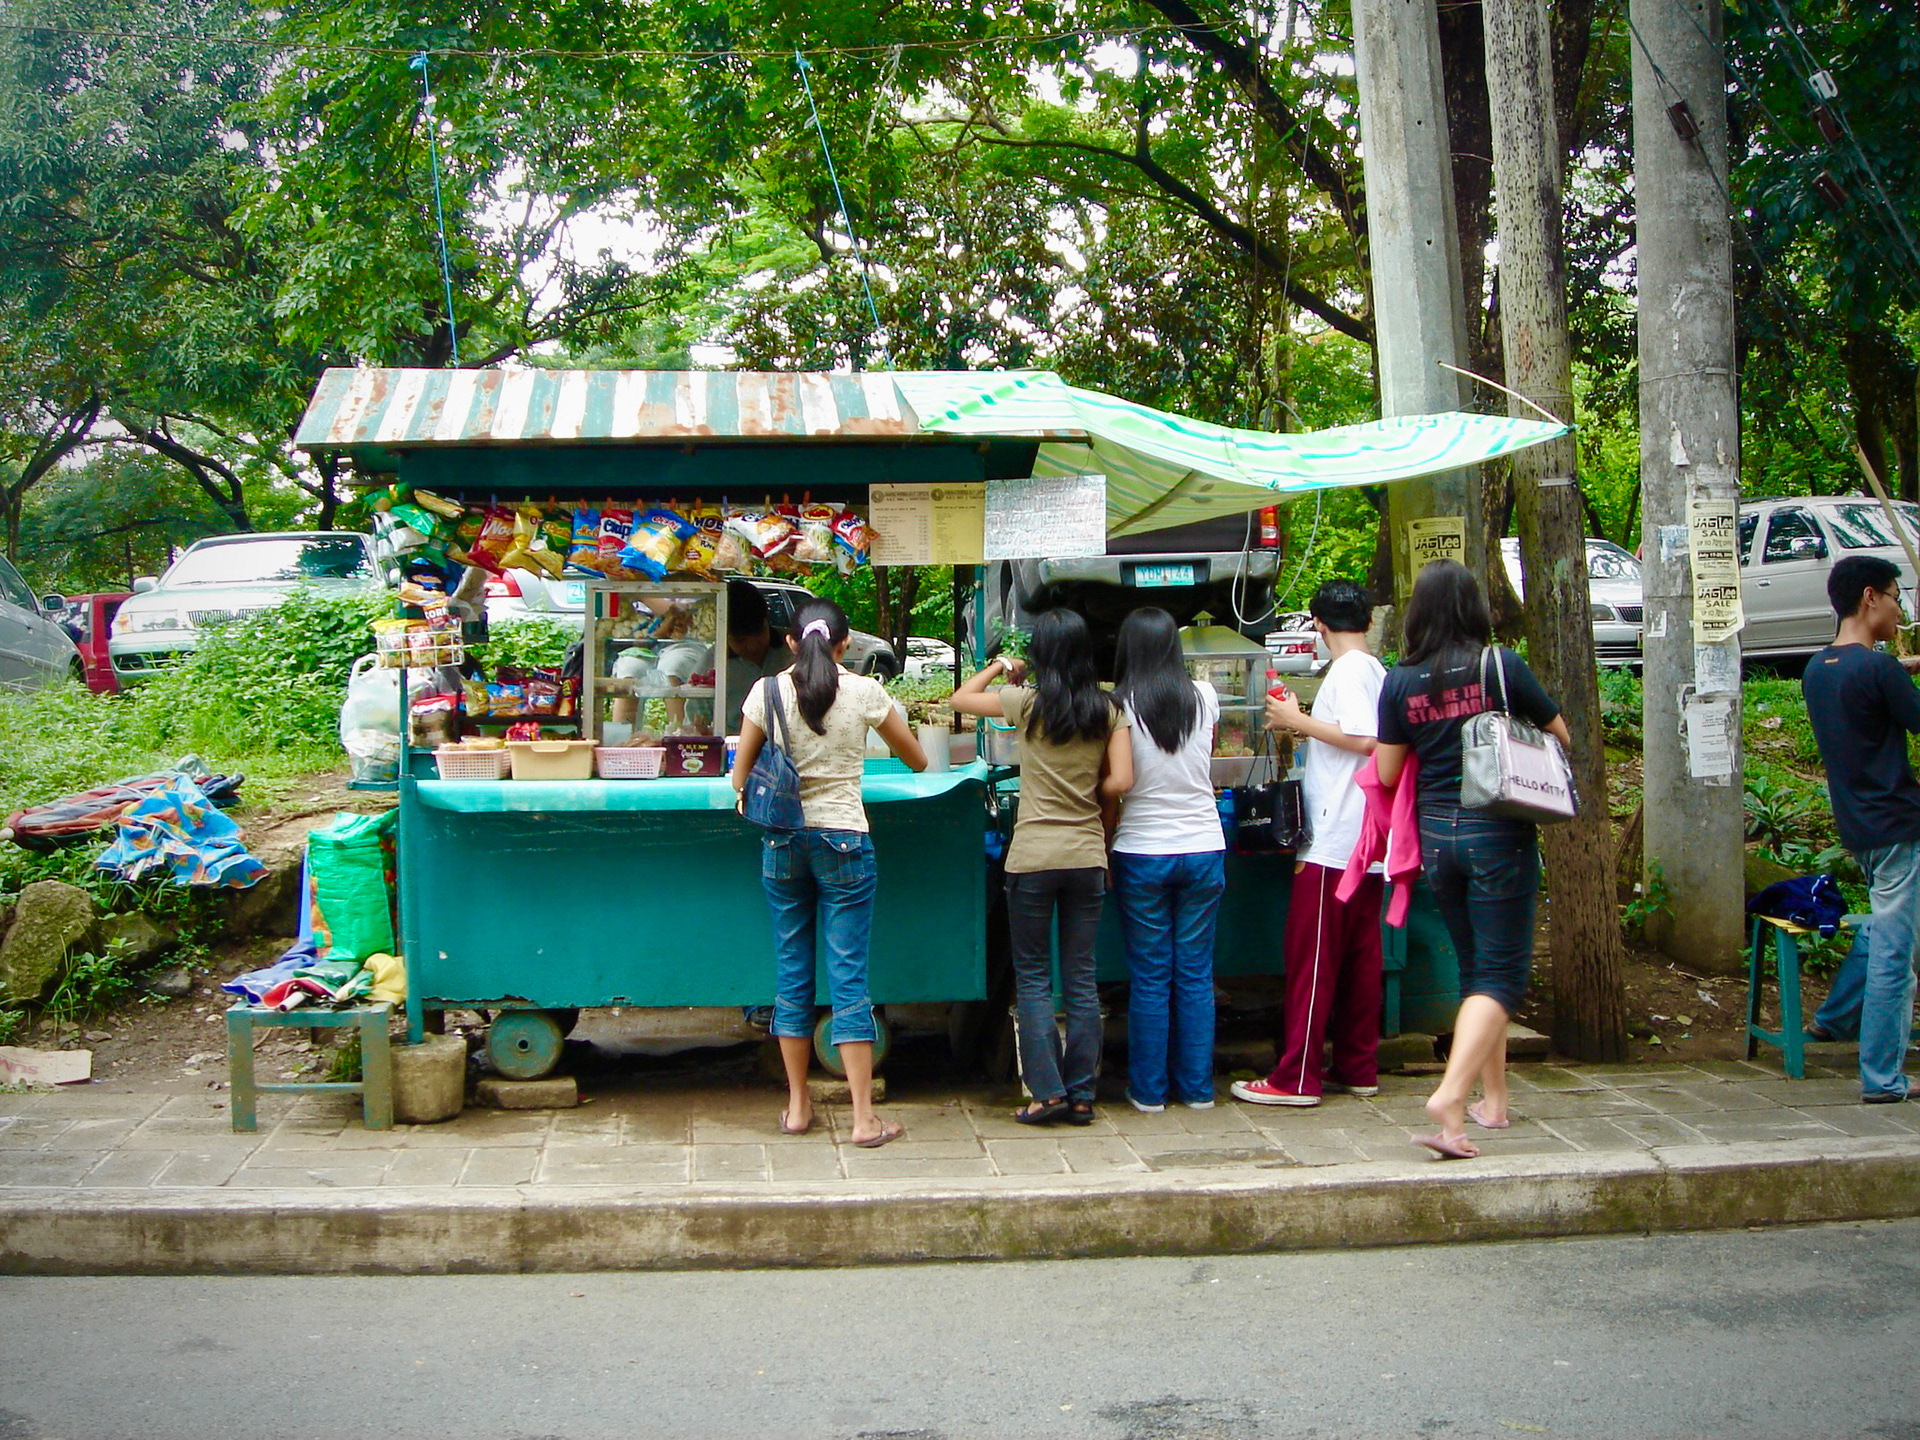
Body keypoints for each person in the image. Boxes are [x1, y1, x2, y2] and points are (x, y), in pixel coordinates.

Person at [1372, 560, 1570, 1159]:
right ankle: (1450, 1095)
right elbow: (1561, 735)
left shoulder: (1399, 681)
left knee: (1476, 971)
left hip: (1437, 836)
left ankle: (1492, 1104)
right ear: (1473, 607)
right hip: (1497, 831)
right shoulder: (1500, 667)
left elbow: (1387, 771)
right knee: (1502, 976)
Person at [732, 599, 926, 1147]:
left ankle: (798, 1107)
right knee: (849, 978)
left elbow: (738, 779)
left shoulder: (766, 691)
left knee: (792, 973)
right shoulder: (865, 692)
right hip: (844, 839)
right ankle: (864, 1120)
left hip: (783, 840)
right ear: (845, 644)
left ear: (790, 642)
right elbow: (917, 759)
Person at [951, 609, 1133, 1125]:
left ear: (1041, 656)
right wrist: (1089, 792)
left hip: (1032, 857)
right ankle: (1081, 1095)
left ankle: (1046, 1094)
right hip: (1086, 856)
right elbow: (1123, 780)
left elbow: (961, 699)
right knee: (1081, 976)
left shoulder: (1027, 703)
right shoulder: (1108, 709)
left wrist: (1001, 665)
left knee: (1032, 977)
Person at [1231, 579, 1387, 1108]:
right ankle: (1357, 1065)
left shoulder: (1349, 670)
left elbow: (1366, 740)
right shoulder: (1376, 670)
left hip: (1335, 838)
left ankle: (1297, 1076)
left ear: (1318, 625)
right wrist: (1306, 725)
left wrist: (1297, 721)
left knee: (1312, 959)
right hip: (1366, 837)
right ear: (1367, 620)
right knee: (1360, 959)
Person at [1801, 554, 1920, 1103]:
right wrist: (1900, 671)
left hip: (1860, 827)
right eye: (1895, 596)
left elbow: (1872, 689)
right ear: (1870, 596)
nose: (1899, 608)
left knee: (1885, 928)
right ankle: (1882, 1078)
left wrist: (1904, 669)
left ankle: (1833, 1019)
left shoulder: (1818, 669)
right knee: (1897, 953)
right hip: (1898, 825)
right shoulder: (1879, 670)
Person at [1108, 607, 1226, 1113]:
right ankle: (1197, 1090)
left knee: (1151, 977)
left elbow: (1116, 782)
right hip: (1203, 847)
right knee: (1195, 974)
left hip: (1141, 851)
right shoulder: (1205, 696)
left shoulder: (1118, 706)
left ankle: (1149, 1092)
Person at [616, 579, 790, 736]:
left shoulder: (792, 651)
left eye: (758, 635)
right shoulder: (712, 662)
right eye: (740, 640)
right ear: (724, 635)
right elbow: (695, 718)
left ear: (767, 622)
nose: (752, 646)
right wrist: (700, 731)